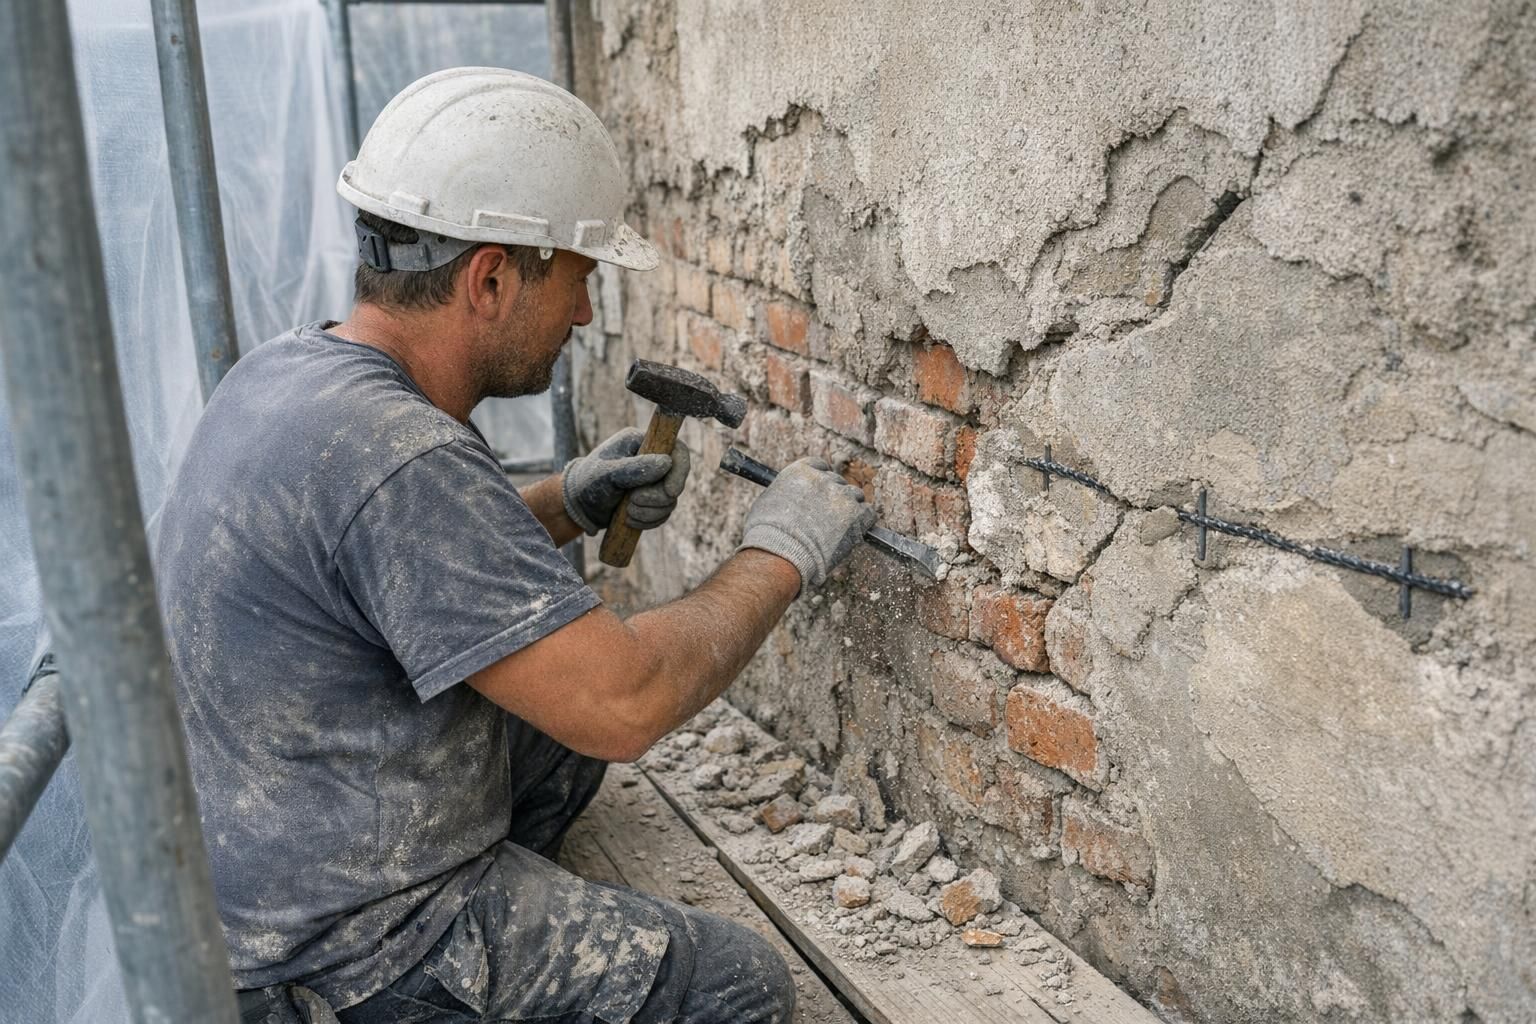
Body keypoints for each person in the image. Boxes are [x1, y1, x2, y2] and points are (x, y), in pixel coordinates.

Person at [153, 67, 875, 1024]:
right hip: (343, 948)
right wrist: (781, 553)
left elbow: (390, 565)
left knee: (552, 730)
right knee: (739, 984)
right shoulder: (400, 455)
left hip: (278, 849)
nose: (582, 314)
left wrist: (568, 502)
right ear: (490, 277)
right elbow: (627, 704)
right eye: (577, 278)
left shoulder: (293, 374)